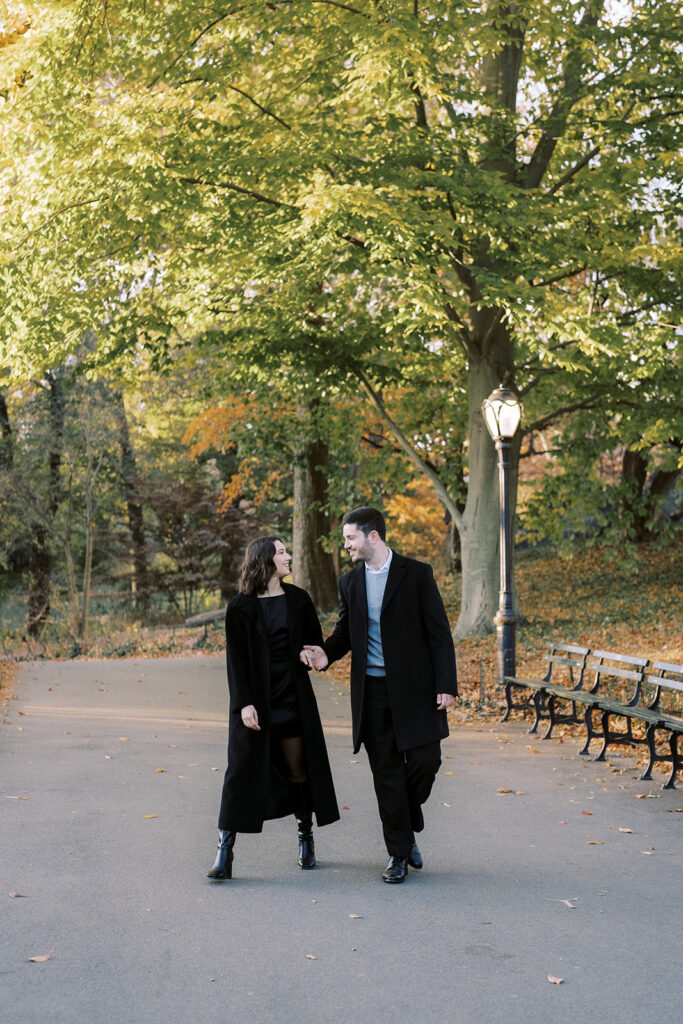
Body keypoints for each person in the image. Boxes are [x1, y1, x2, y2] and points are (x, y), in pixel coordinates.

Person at [301, 507, 457, 884]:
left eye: (351, 538)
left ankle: (407, 819)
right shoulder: (350, 582)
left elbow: (438, 633)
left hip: (417, 692)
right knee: (387, 774)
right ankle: (398, 853)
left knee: (426, 760)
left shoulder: (417, 574)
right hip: (371, 694)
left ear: (373, 536)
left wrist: (446, 684)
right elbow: (345, 632)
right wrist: (326, 653)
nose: (346, 545)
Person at [208, 537, 339, 880]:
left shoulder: (298, 600)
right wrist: (243, 704)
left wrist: (309, 655)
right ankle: (224, 851)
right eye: (282, 552)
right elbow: (235, 661)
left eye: (287, 551)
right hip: (255, 702)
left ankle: (305, 836)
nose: (289, 556)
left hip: (292, 698)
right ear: (265, 560)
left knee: (298, 771)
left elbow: (314, 644)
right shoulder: (240, 606)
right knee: (239, 772)